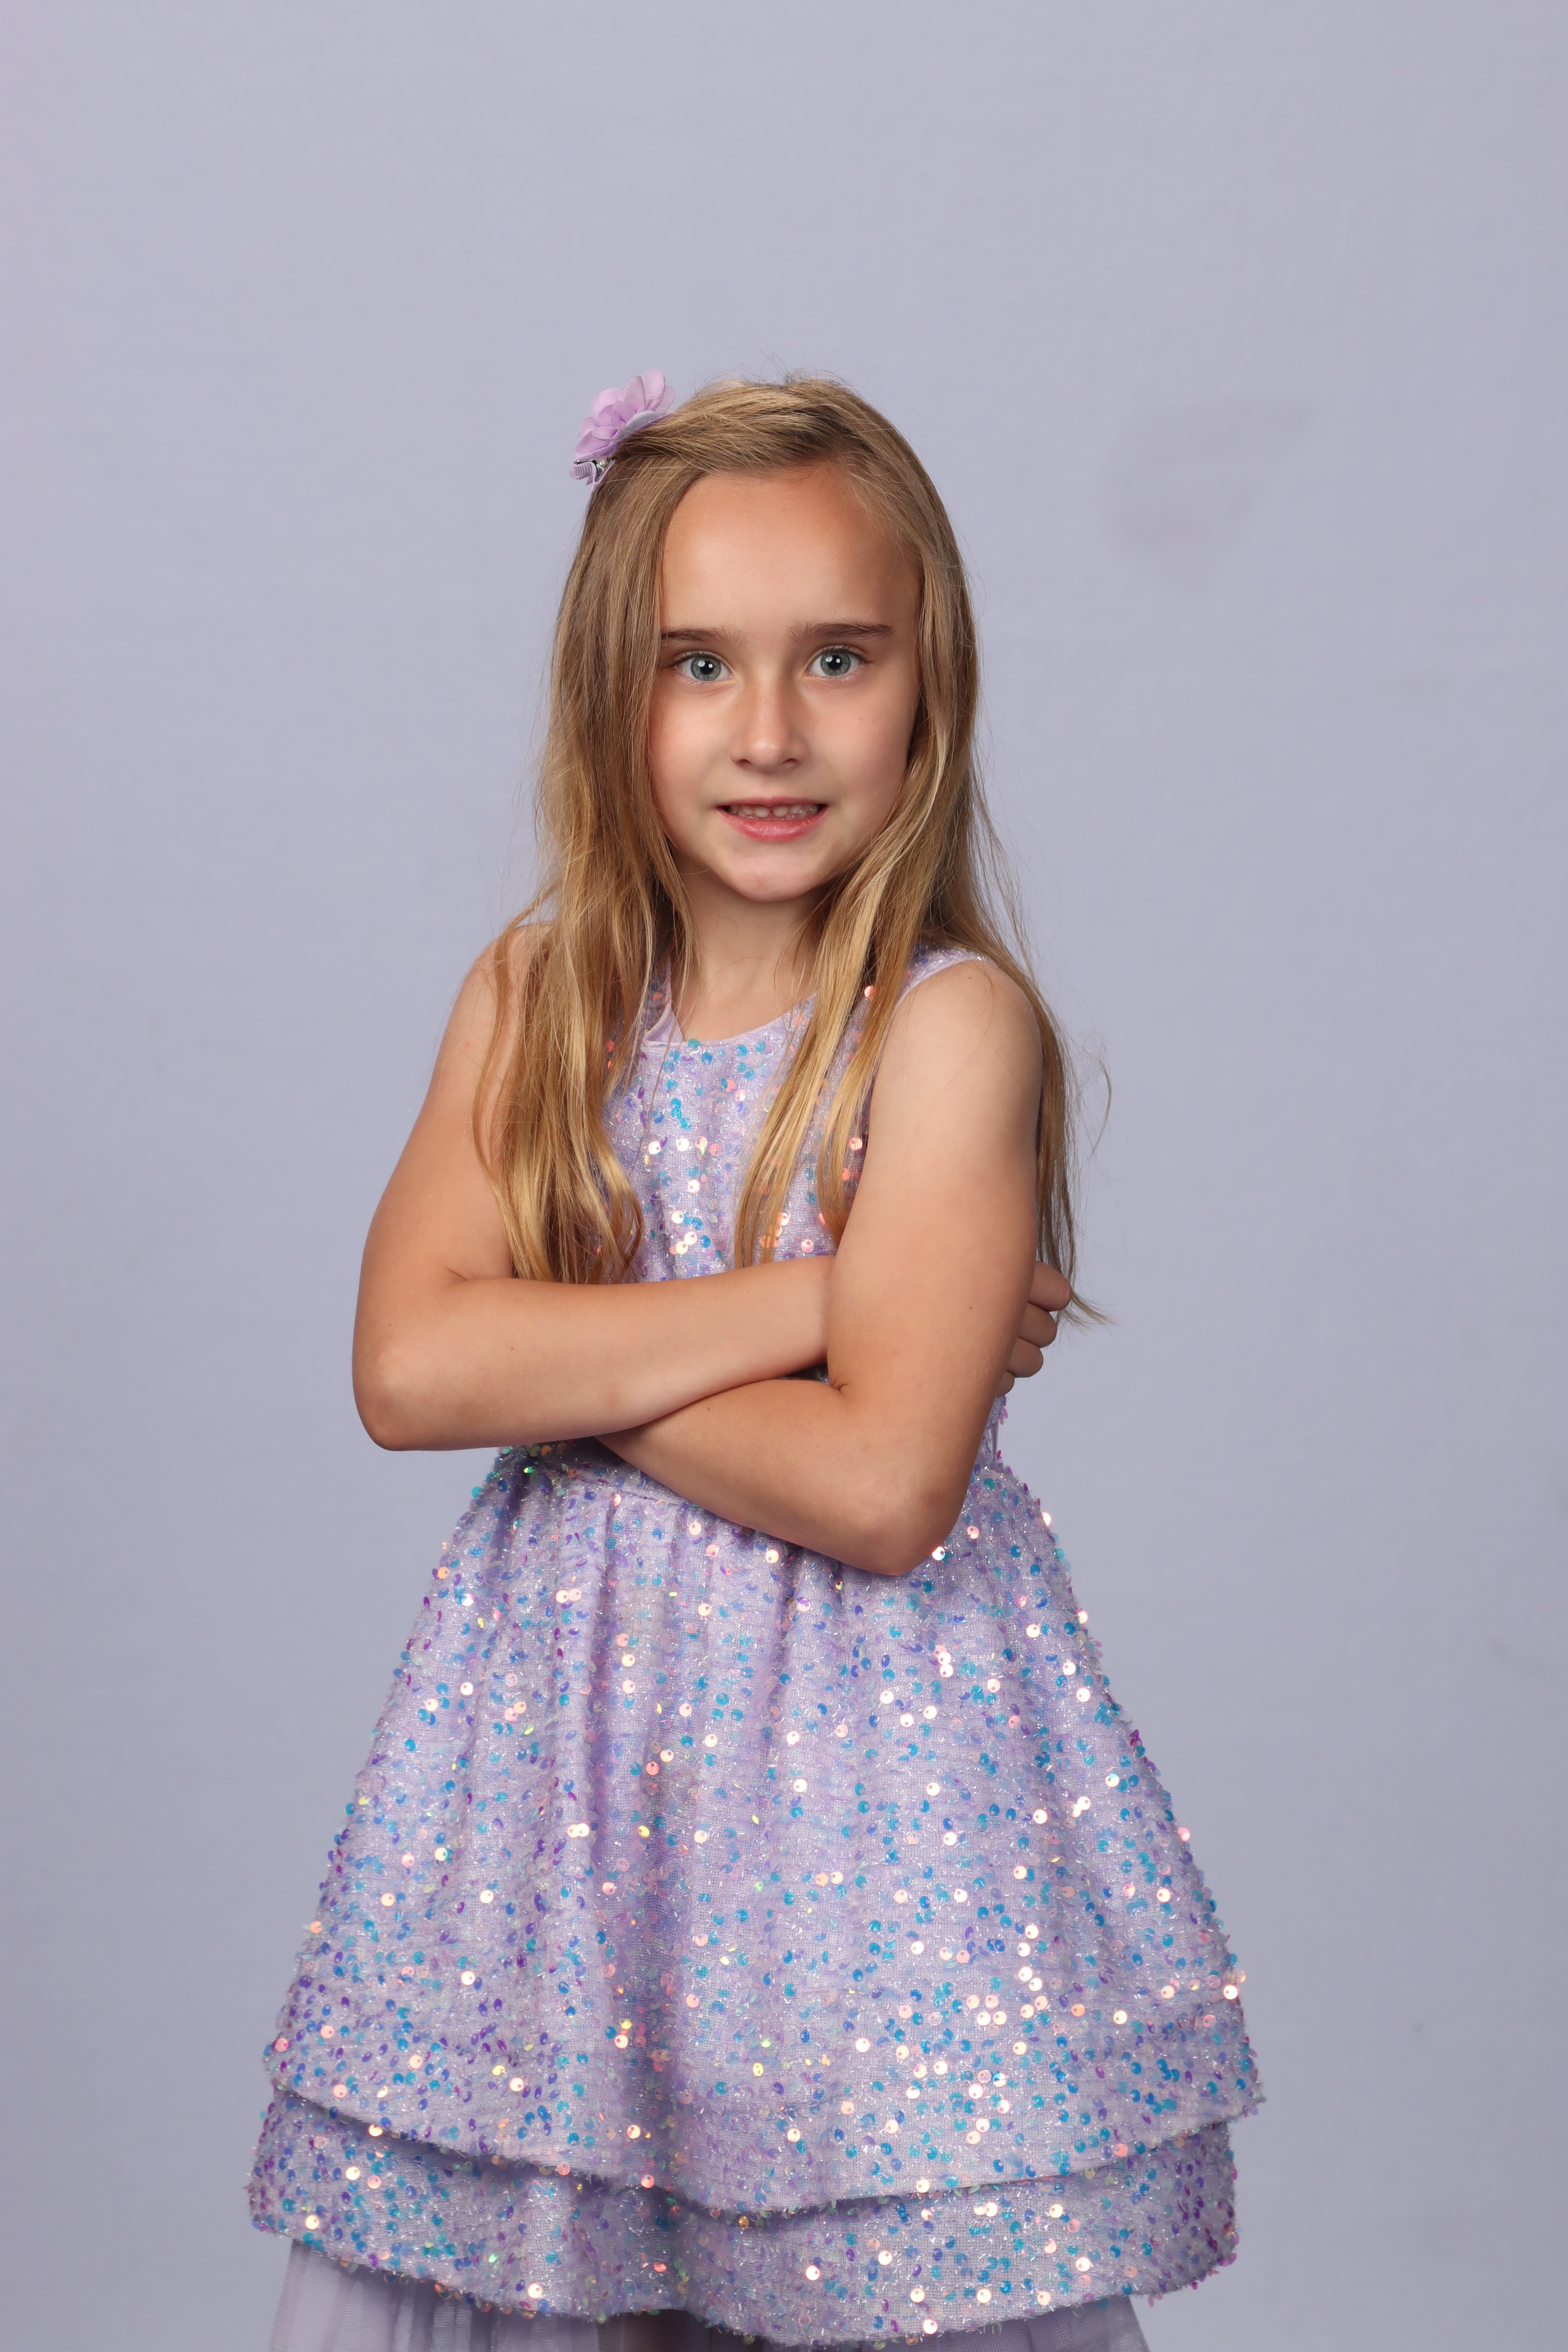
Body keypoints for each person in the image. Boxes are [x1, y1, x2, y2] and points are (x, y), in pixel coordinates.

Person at [252, 375, 1259, 2352]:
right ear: (605, 695)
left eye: (838, 660)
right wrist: (827, 1301)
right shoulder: (537, 996)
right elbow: (409, 1367)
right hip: (562, 1798)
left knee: (861, 2251)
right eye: (696, 663)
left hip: (870, 1814)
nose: (770, 730)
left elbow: (879, 1487)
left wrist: (558, 1356)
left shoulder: (947, 1031)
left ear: (929, 688)